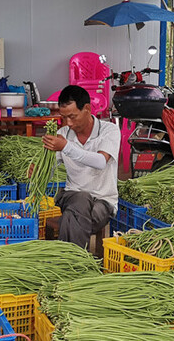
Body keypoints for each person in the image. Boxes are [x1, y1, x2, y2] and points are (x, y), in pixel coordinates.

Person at [42, 85, 120, 249]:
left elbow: (100, 161)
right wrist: (40, 171)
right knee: (81, 198)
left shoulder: (109, 130)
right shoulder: (63, 134)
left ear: (87, 109)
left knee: (72, 217)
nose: (68, 123)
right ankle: (75, 263)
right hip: (71, 197)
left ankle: (69, 259)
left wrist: (66, 147)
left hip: (102, 202)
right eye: (64, 118)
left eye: (72, 116)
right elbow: (51, 167)